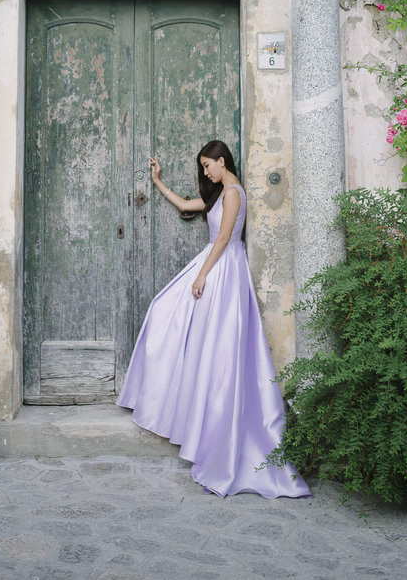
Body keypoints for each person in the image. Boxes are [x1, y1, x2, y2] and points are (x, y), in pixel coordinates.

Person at [116, 140, 310, 499]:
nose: (205, 173)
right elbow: (188, 204)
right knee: (166, 311)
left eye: (208, 166)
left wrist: (202, 274)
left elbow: (223, 238)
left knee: (217, 349)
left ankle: (214, 438)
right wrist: (158, 182)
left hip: (223, 271)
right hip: (215, 266)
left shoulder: (234, 193)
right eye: (204, 168)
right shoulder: (220, 193)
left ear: (222, 162)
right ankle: (176, 407)